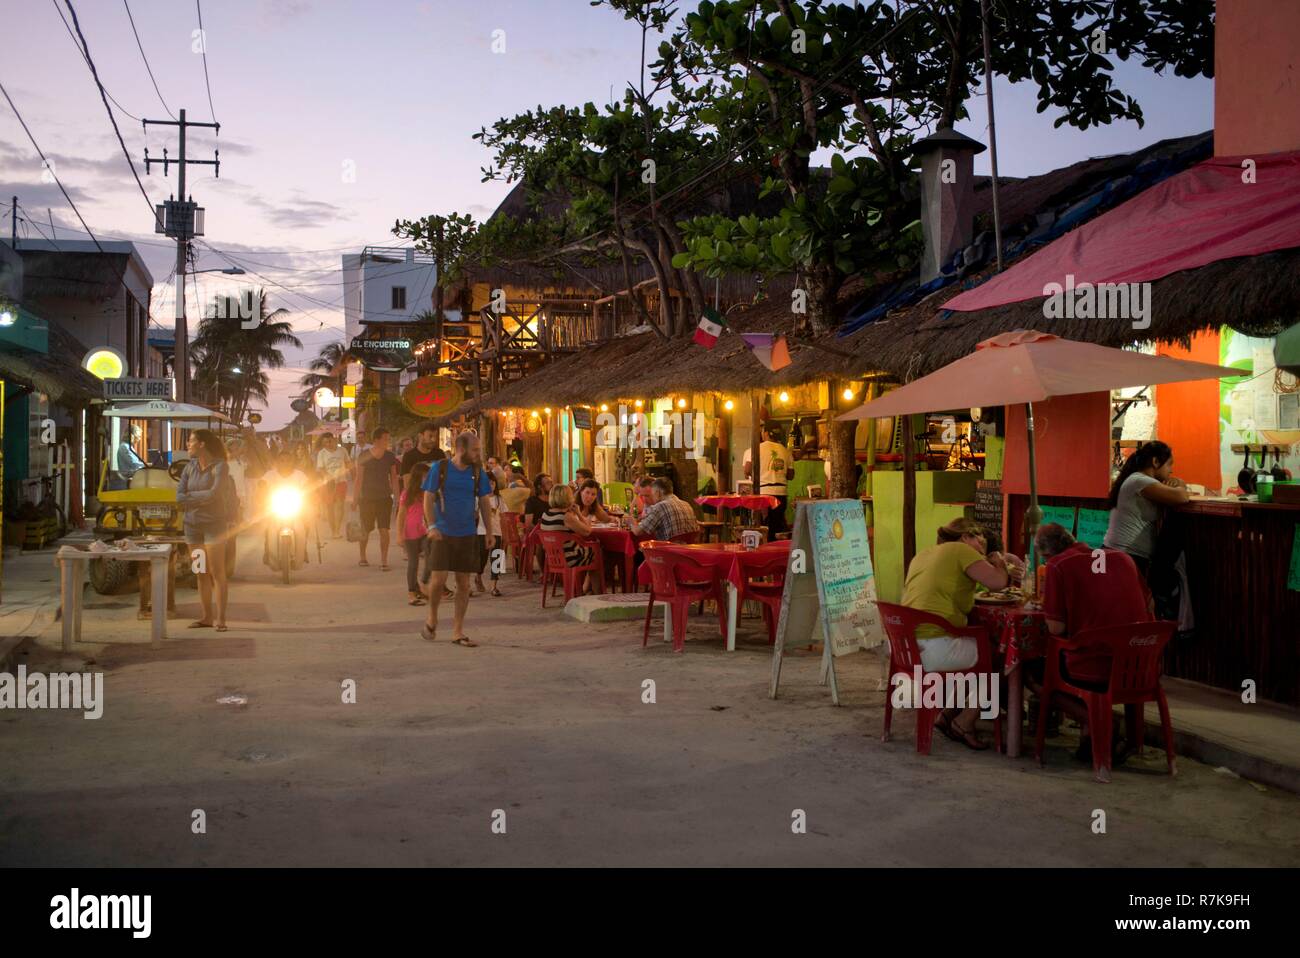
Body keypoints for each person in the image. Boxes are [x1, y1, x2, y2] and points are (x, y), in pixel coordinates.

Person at [900, 518, 1024, 750]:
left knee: (983, 650)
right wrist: (998, 561)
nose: (982, 546)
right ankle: (965, 722)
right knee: (1001, 656)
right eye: (980, 540)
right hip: (934, 645)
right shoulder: (960, 550)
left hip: (906, 645)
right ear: (966, 536)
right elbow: (998, 583)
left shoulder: (925, 554)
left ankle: (947, 715)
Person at [1036, 522, 1153, 766]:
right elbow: (1148, 604)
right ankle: (1092, 741)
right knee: (1077, 652)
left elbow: (1055, 629)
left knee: (1034, 672)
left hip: (1097, 668)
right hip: (1141, 665)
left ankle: (1101, 722)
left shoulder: (1058, 566)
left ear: (1047, 554)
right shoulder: (1122, 559)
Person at [422, 430, 495, 647]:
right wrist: (432, 525)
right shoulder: (440, 469)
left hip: (467, 533)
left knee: (464, 584)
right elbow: (427, 497)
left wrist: (489, 532)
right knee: (438, 580)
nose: (477, 453)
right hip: (442, 533)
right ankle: (433, 616)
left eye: (479, 449)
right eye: (474, 449)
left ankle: (458, 630)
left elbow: (483, 501)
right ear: (461, 449)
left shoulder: (477, 472)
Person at [1103, 440, 1190, 578]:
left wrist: (1177, 485)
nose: (1171, 470)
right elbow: (1182, 497)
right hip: (1125, 555)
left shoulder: (1135, 479)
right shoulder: (1140, 481)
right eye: (1169, 464)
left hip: (1117, 552)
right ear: (1155, 462)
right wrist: (1181, 484)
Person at [176, 429, 234, 632]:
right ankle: (206, 617)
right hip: (193, 527)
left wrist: (191, 496)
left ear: (202, 444)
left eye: (191, 441)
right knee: (200, 572)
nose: (188, 445)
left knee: (218, 573)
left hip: (214, 527)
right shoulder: (189, 467)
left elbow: (216, 494)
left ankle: (221, 619)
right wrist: (200, 496)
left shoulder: (220, 467)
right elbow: (179, 496)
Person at [351, 427, 399, 570]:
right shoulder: (364, 456)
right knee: (366, 528)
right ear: (377, 440)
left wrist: (397, 498)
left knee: (384, 529)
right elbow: (359, 479)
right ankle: (362, 556)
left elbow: (394, 478)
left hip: (384, 498)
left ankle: (384, 560)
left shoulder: (390, 456)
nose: (387, 441)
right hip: (367, 498)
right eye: (385, 438)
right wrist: (354, 499)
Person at [743, 422, 794, 537]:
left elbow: (747, 471)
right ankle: (774, 549)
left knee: (763, 527)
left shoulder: (756, 448)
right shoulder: (786, 451)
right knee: (776, 526)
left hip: (763, 494)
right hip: (781, 494)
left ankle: (764, 550)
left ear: (766, 433)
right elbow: (791, 475)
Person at [397, 461, 431, 607]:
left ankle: (422, 583)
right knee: (413, 563)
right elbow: (401, 515)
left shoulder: (428, 493)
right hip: (410, 533)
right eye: (425, 477)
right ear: (418, 477)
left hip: (425, 531)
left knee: (432, 554)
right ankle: (412, 592)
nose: (427, 479)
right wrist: (399, 535)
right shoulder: (407, 493)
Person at [540, 484, 596, 572]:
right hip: (570, 558)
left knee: (592, 552)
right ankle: (591, 585)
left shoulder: (545, 515)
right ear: (567, 498)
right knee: (598, 551)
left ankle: (585, 585)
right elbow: (588, 531)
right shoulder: (565, 517)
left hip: (553, 557)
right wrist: (578, 513)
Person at [632, 477, 700, 541]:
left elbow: (638, 532)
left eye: (652, 494)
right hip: (688, 550)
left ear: (658, 493)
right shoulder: (687, 504)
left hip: (668, 550)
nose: (652, 497)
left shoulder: (660, 507)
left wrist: (631, 522)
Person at [475, 469, 504, 597]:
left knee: (497, 559)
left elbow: (503, 518)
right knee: (481, 558)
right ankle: (478, 576)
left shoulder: (499, 499)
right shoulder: (477, 499)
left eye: (493, 483)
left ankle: (494, 586)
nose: (491, 486)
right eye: (487, 483)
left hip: (497, 533)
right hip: (481, 532)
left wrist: (506, 535)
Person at [315, 433, 349, 538]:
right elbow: (320, 469)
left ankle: (337, 530)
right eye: (325, 442)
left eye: (329, 441)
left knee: (340, 505)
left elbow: (348, 463)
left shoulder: (342, 450)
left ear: (334, 440)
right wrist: (328, 476)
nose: (328, 444)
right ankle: (333, 530)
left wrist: (346, 470)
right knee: (330, 507)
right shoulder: (322, 453)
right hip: (328, 483)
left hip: (341, 481)